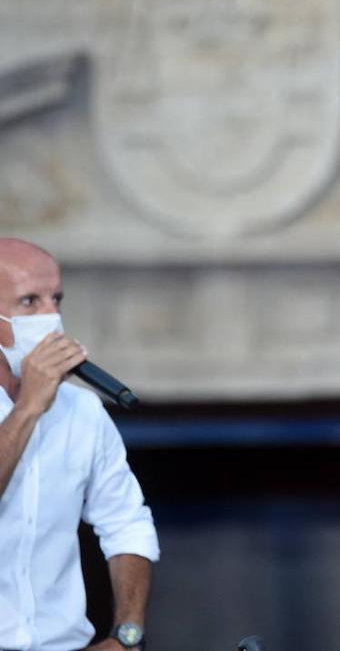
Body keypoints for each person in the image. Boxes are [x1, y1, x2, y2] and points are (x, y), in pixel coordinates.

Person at [0, 238, 159, 651]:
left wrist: (126, 635)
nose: (51, 317)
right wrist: (29, 408)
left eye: (57, 299)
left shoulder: (82, 410)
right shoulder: (36, 406)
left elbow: (127, 523)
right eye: (30, 302)